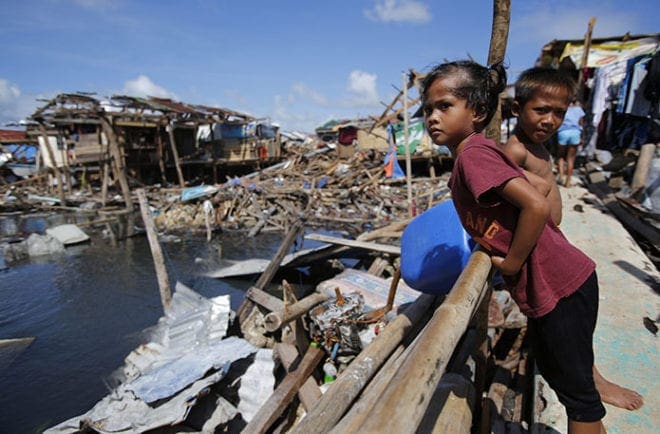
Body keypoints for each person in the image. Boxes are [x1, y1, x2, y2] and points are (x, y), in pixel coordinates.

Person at [422, 59, 610, 433]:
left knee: (581, 403)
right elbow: (538, 190)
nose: (432, 117)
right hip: (554, 287)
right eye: (428, 109)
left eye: (444, 106)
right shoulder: (475, 155)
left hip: (562, 285)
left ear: (476, 111)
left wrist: (511, 261)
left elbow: (538, 205)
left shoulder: (474, 157)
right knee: (563, 378)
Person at [503, 67, 643, 411]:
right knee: (562, 325)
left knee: (575, 323)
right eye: (541, 110)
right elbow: (504, 194)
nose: (551, 120)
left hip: (552, 240)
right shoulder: (515, 151)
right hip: (539, 250)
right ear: (517, 109)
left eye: (559, 113)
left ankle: (591, 375)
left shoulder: (538, 144)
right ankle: (586, 387)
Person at [557, 99, 585, 187]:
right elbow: (581, 124)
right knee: (570, 159)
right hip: (575, 133)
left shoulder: (562, 108)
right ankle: (568, 182)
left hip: (563, 133)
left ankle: (561, 176)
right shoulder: (579, 110)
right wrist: (582, 137)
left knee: (561, 155)